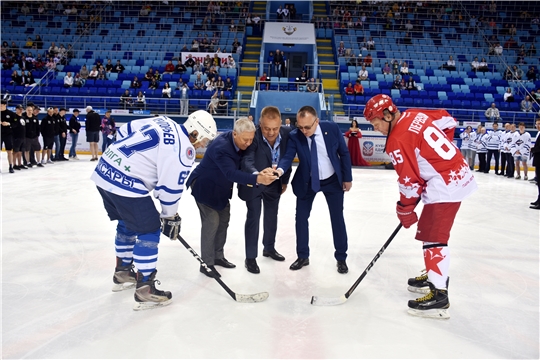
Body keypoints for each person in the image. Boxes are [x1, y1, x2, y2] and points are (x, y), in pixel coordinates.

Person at [363, 94, 477, 319]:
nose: (376, 129)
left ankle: (439, 293)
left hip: (445, 186)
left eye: (376, 123)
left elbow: (409, 182)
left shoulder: (397, 140)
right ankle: (436, 273)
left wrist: (404, 207)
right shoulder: (414, 114)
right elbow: (447, 120)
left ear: (387, 115)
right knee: (428, 232)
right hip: (455, 174)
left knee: (434, 236)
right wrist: (439, 156)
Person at [90, 111, 217, 310]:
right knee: (149, 230)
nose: (203, 145)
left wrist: (126, 161)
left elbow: (125, 130)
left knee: (127, 222)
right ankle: (145, 289)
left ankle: (122, 272)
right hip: (126, 184)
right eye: (204, 139)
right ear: (195, 133)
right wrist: (169, 216)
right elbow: (170, 190)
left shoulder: (164, 121)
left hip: (104, 171)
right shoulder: (184, 151)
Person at [186, 117, 277, 278]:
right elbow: (231, 173)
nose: (249, 143)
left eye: (251, 139)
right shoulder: (221, 147)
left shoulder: (240, 138)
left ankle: (218, 256)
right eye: (245, 140)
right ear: (235, 134)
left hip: (221, 188)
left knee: (224, 220)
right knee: (211, 222)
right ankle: (206, 264)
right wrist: (258, 179)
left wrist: (259, 172)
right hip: (205, 186)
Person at [276, 106, 352, 274]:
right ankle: (303, 256)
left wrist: (347, 177)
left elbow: (344, 153)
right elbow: (287, 157)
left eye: (307, 127)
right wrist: (279, 171)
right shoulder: (296, 136)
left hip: (333, 181)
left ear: (316, 121)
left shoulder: (331, 128)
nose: (303, 131)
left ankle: (341, 258)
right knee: (301, 218)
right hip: (307, 181)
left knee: (337, 218)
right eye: (300, 126)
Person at [237, 106, 292, 274]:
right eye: (266, 128)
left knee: (271, 217)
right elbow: (247, 160)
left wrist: (285, 181)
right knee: (253, 218)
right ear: (260, 123)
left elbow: (287, 158)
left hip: (275, 184)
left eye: (275, 128)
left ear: (280, 124)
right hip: (255, 183)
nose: (270, 132)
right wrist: (257, 175)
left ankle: (269, 248)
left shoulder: (287, 134)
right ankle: (250, 258)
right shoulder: (253, 136)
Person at [1, 99, 16, 173]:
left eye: (1, 105)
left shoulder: (11, 114)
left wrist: (8, 124)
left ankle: (10, 166)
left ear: (5, 105)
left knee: (9, 151)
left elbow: (16, 124)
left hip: (8, 134)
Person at [11, 104, 27, 170]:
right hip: (16, 136)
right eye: (19, 109)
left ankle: (20, 163)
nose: (21, 110)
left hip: (22, 136)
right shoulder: (14, 117)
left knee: (20, 151)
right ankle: (14, 164)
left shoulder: (23, 117)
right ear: (16, 109)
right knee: (15, 151)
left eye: (21, 109)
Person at [529, 119, 540, 209]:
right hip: (538, 161)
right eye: (536, 124)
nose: (537, 126)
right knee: (539, 182)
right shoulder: (538, 133)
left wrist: (533, 149)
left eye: (539, 124)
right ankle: (539, 199)